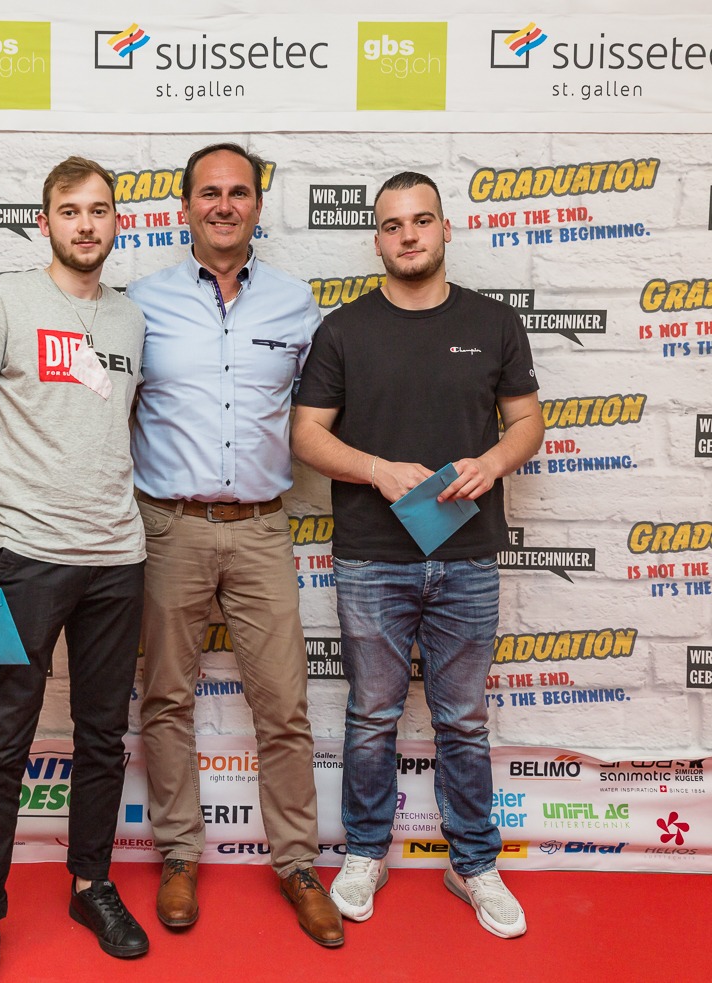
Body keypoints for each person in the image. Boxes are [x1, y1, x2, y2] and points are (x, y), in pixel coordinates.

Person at [291, 171, 544, 940]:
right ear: (377, 239)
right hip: (372, 556)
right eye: (394, 224)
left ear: (445, 229)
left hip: (467, 556)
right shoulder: (343, 330)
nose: (408, 235)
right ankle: (365, 852)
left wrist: (493, 463)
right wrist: (375, 468)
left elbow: (527, 420)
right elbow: (306, 435)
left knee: (463, 719)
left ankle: (473, 862)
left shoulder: (494, 322)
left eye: (422, 220)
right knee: (371, 714)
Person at [0, 156, 149, 983]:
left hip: (117, 560)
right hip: (21, 559)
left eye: (99, 210)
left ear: (117, 221)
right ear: (45, 221)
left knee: (102, 736)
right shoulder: (4, 299)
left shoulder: (130, 320)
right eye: (70, 210)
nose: (86, 224)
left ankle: (91, 884)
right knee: (2, 743)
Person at [128, 142, 343, 948]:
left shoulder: (296, 302)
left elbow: (326, 411)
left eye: (240, 192)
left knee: (283, 703)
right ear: (185, 205)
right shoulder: (139, 303)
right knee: (165, 698)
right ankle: (179, 854)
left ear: (258, 204)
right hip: (167, 526)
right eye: (210, 192)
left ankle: (297, 863)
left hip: (260, 527)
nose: (225, 205)